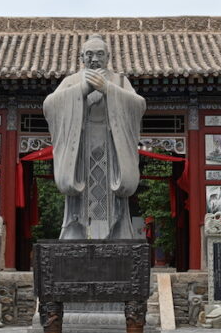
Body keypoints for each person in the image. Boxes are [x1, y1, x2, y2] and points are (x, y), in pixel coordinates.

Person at [43, 34, 146, 240]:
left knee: (112, 194)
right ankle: (75, 230)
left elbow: (139, 105)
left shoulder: (119, 80)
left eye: (100, 54)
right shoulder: (71, 81)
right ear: (81, 57)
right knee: (79, 197)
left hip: (111, 145)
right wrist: (82, 89)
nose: (94, 58)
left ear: (108, 56)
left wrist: (108, 89)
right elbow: (50, 105)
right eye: (89, 54)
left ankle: (117, 231)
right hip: (80, 147)